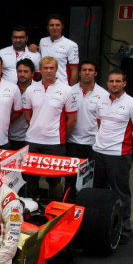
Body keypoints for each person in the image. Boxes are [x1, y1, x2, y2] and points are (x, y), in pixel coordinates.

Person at [92, 69, 133, 244]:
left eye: (118, 81)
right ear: (107, 83)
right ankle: (99, 226)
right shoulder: (101, 101)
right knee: (99, 193)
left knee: (120, 193)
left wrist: (127, 148)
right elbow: (100, 123)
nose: (114, 84)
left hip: (119, 156)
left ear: (124, 83)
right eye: (111, 81)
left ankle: (124, 228)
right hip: (99, 153)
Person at [22, 56, 78, 199]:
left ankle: (55, 211)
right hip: (33, 141)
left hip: (55, 143)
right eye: (45, 68)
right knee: (30, 179)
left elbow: (72, 119)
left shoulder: (67, 90)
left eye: (51, 68)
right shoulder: (31, 89)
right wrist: (37, 128)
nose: (48, 71)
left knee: (54, 181)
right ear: (40, 70)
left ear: (56, 69)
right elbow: (28, 115)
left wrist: (60, 135)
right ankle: (30, 209)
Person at [66, 60, 109, 165]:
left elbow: (104, 121)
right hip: (72, 142)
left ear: (95, 73)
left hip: (92, 144)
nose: (87, 72)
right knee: (71, 179)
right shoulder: (70, 91)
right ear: (80, 73)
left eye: (90, 70)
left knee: (90, 179)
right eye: (84, 70)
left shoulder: (104, 95)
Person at [39, 13, 79, 85]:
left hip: (62, 85)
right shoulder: (42, 41)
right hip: (44, 85)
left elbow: (74, 70)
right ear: (47, 27)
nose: (54, 28)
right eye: (51, 25)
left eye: (57, 25)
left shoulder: (71, 45)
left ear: (62, 27)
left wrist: (71, 89)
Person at [8, 59, 35, 150]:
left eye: (26, 71)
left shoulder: (38, 89)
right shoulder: (9, 88)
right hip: (10, 136)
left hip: (30, 138)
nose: (22, 74)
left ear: (32, 73)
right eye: (20, 71)